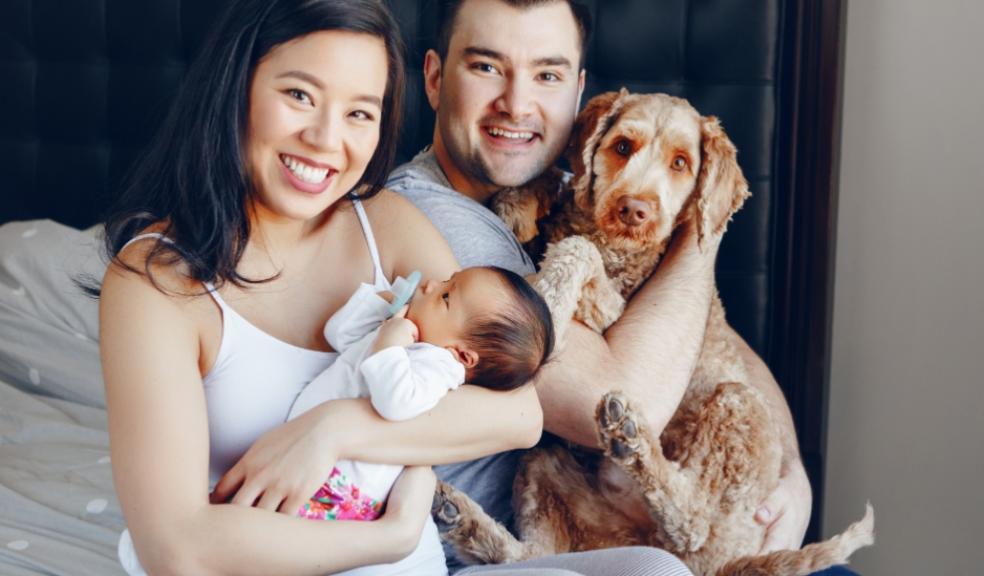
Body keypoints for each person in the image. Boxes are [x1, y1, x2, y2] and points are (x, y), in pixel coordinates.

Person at [100, 0, 547, 574]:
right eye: (300, 96)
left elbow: (518, 415)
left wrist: (330, 430)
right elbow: (175, 547)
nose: (324, 140)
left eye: (360, 113)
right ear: (236, 87)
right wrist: (389, 537)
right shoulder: (156, 284)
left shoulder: (385, 223)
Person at [383, 0, 825, 573]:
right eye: (487, 67)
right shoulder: (433, 219)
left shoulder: (583, 185)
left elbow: (714, 339)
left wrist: (792, 471)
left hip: (642, 529)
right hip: (516, 549)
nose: (517, 104)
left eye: (547, 74)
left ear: (578, 91)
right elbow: (617, 408)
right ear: (436, 78)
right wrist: (700, 219)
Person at [288, 265, 553, 531]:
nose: (430, 285)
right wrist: (382, 306)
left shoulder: (439, 366)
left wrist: (391, 342)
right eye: (447, 280)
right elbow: (339, 333)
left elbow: (397, 403)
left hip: (340, 487)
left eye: (446, 296)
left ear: (462, 355)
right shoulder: (409, 339)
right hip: (314, 466)